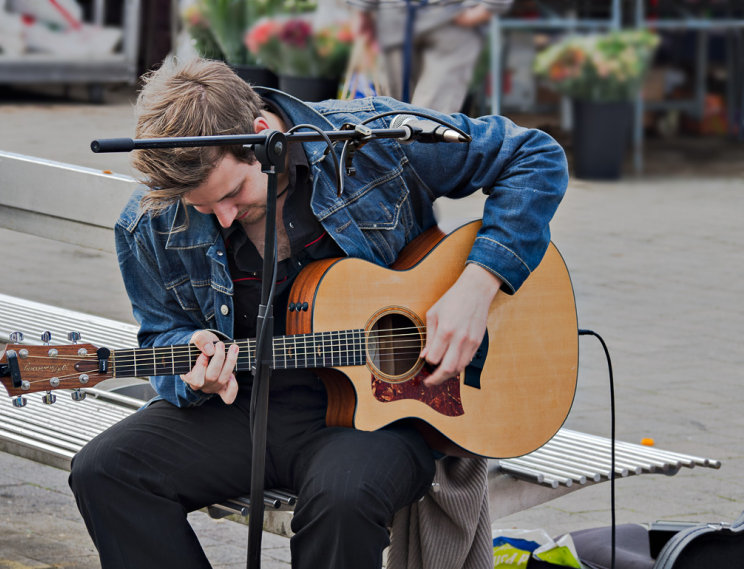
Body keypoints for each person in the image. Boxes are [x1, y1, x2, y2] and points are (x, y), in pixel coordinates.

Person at [69, 57, 568, 569]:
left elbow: (533, 157)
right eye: (201, 207)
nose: (221, 216)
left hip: (376, 416)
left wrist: (478, 286)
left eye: (234, 193)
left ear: (263, 134)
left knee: (343, 499)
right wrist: (192, 369)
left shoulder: (371, 141)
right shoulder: (146, 222)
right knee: (105, 471)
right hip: (244, 406)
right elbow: (161, 336)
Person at [360, 0, 513, 114]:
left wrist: (487, 8)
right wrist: (363, 10)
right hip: (395, 22)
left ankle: (420, 152)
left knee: (430, 116)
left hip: (452, 23)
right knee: (393, 112)